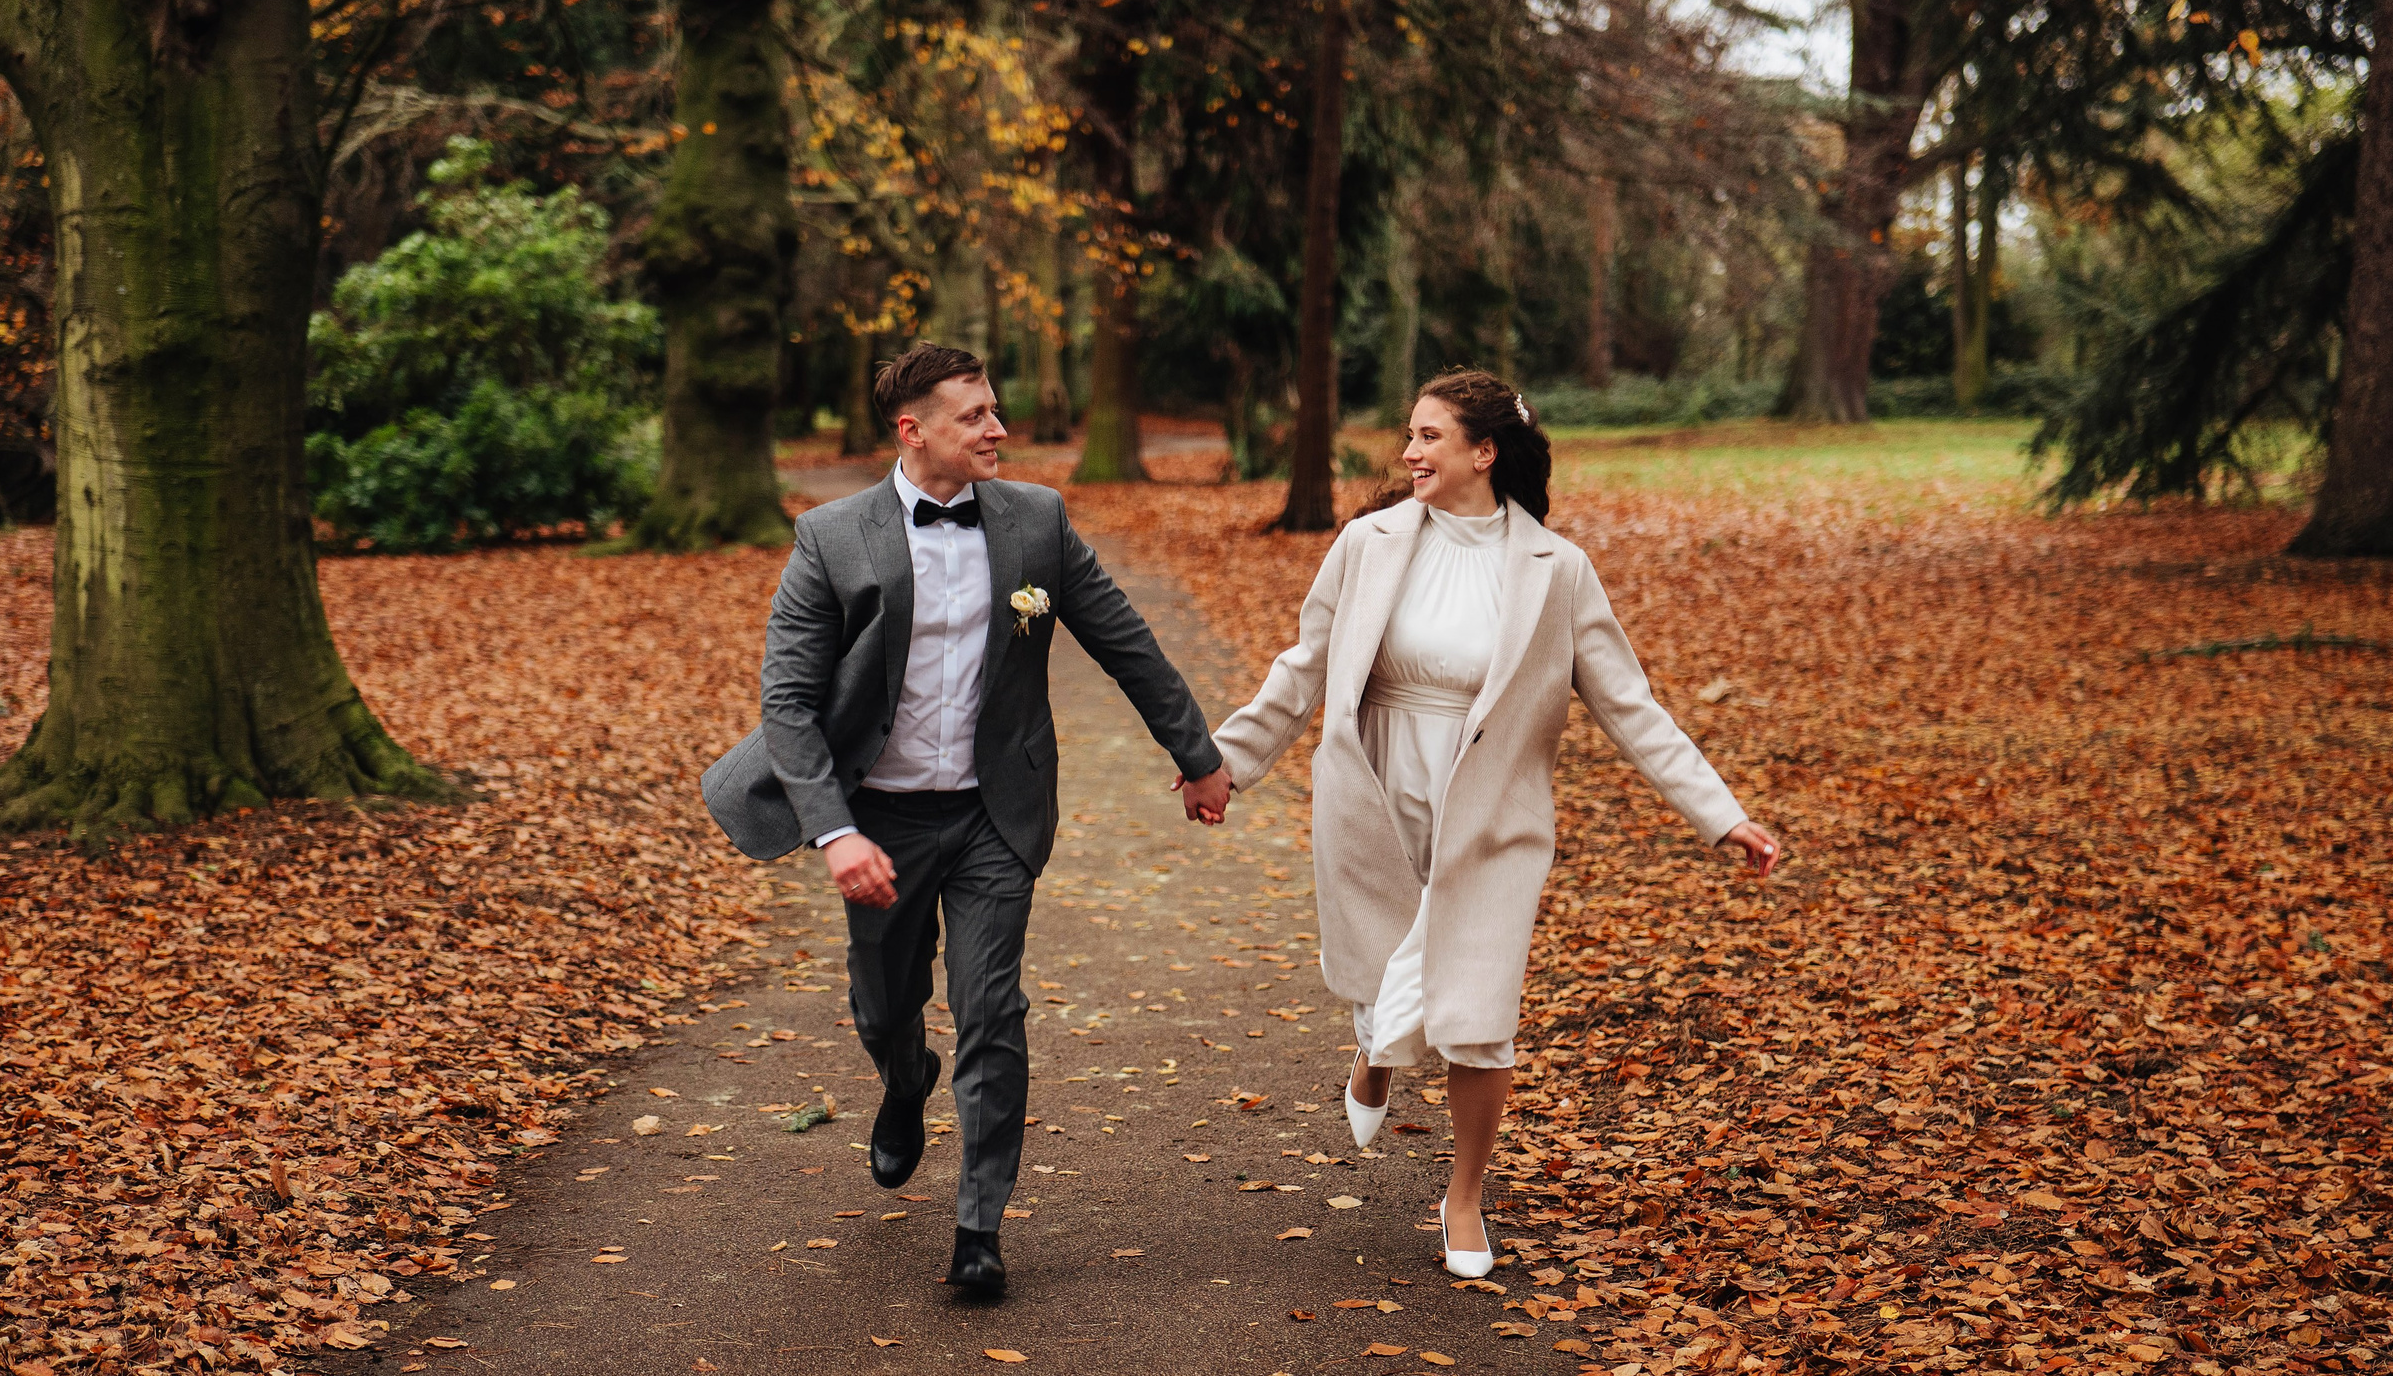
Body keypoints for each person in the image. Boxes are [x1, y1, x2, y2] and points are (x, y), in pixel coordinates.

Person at [1211, 369, 1779, 1279]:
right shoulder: (1367, 544)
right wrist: (1226, 763)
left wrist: (1723, 816)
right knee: (1386, 975)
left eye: (1429, 437)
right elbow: (1304, 666)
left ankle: (1464, 1196)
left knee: (1479, 1013)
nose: (1409, 453)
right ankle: (1377, 1048)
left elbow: (1631, 707)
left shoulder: (1558, 571)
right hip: (1379, 785)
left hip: (1493, 811)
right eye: (1410, 435)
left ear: (1484, 452)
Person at [701, 342, 1233, 1295]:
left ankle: (979, 1229)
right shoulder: (831, 537)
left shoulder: (1036, 520)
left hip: (997, 812)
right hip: (880, 819)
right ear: (913, 430)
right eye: (975, 414)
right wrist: (835, 831)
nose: (999, 428)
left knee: (992, 1008)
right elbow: (788, 701)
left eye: (995, 408)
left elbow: (1125, 641)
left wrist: (1196, 755)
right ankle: (906, 1079)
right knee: (883, 1006)